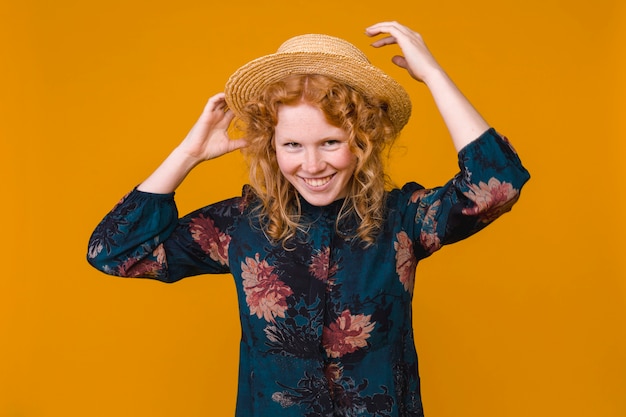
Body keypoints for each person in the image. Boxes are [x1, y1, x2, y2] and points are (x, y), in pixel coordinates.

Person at [87, 21, 530, 417]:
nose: (312, 165)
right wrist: (186, 156)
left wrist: (433, 75)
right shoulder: (239, 225)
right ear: (270, 146)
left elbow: (497, 184)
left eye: (331, 142)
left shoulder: (404, 219)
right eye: (293, 145)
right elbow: (114, 253)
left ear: (364, 142)